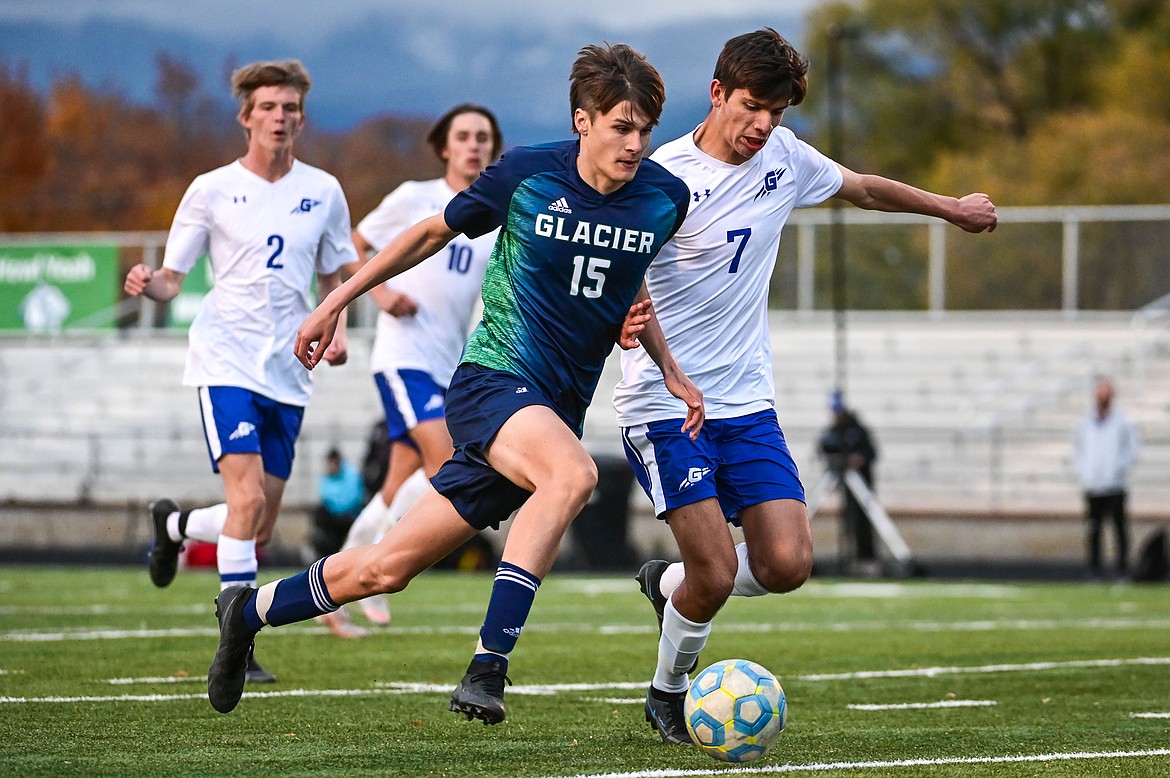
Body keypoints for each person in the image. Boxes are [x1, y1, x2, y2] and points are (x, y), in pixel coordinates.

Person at [205, 42, 704, 723]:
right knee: (573, 477)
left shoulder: (662, 198)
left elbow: (628, 275)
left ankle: (248, 609)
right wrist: (334, 302)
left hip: (553, 409)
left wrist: (667, 364)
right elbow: (424, 236)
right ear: (582, 121)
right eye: (622, 126)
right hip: (492, 381)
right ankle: (487, 668)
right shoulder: (529, 175)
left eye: (646, 129)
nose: (637, 142)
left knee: (386, 568)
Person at [612, 28, 998, 745]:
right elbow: (624, 273)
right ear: (718, 93)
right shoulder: (661, 178)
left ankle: (667, 583)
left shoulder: (783, 158)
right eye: (753, 106)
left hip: (746, 402)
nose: (763, 125)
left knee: (787, 565)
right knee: (720, 574)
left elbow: (862, 188)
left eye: (778, 112)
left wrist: (947, 206)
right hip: (665, 404)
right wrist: (655, 353)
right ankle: (668, 691)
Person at [123, 59, 357, 683]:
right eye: (269, 107)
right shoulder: (210, 188)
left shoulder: (324, 190)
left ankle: (172, 525)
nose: (280, 117)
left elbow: (336, 278)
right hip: (225, 358)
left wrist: (332, 330)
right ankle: (238, 640)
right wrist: (149, 285)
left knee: (259, 523)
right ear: (246, 117)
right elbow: (172, 280)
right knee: (247, 500)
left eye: (290, 108)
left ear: (301, 117)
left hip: (289, 367)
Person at [322, 104, 504, 635]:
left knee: (397, 484)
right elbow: (352, 246)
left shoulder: (495, 213)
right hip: (404, 361)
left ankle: (333, 585)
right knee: (446, 464)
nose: (475, 146)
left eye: (484, 138)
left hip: (450, 366)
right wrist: (381, 294)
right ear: (444, 147)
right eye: (465, 137)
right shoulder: (413, 198)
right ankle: (369, 574)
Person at [1073, 376, 1140, 581]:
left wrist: (1119, 469)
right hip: (1093, 484)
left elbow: (1133, 448)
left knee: (1119, 529)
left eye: (1106, 393)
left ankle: (1121, 569)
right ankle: (1094, 569)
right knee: (1094, 529)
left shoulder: (1123, 422)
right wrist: (1085, 472)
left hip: (1115, 484)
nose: (1102, 397)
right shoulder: (1085, 422)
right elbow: (1078, 450)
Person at [818, 391, 878, 572]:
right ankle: (848, 559)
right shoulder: (833, 431)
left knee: (864, 522)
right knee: (848, 521)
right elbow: (824, 449)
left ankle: (866, 558)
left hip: (862, 485)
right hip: (846, 487)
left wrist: (859, 459)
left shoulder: (858, 430)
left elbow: (871, 453)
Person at [310, 448, 365, 559]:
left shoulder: (352, 476)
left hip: (349, 515)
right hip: (334, 517)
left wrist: (338, 509)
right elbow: (325, 497)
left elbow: (354, 498)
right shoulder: (326, 477)